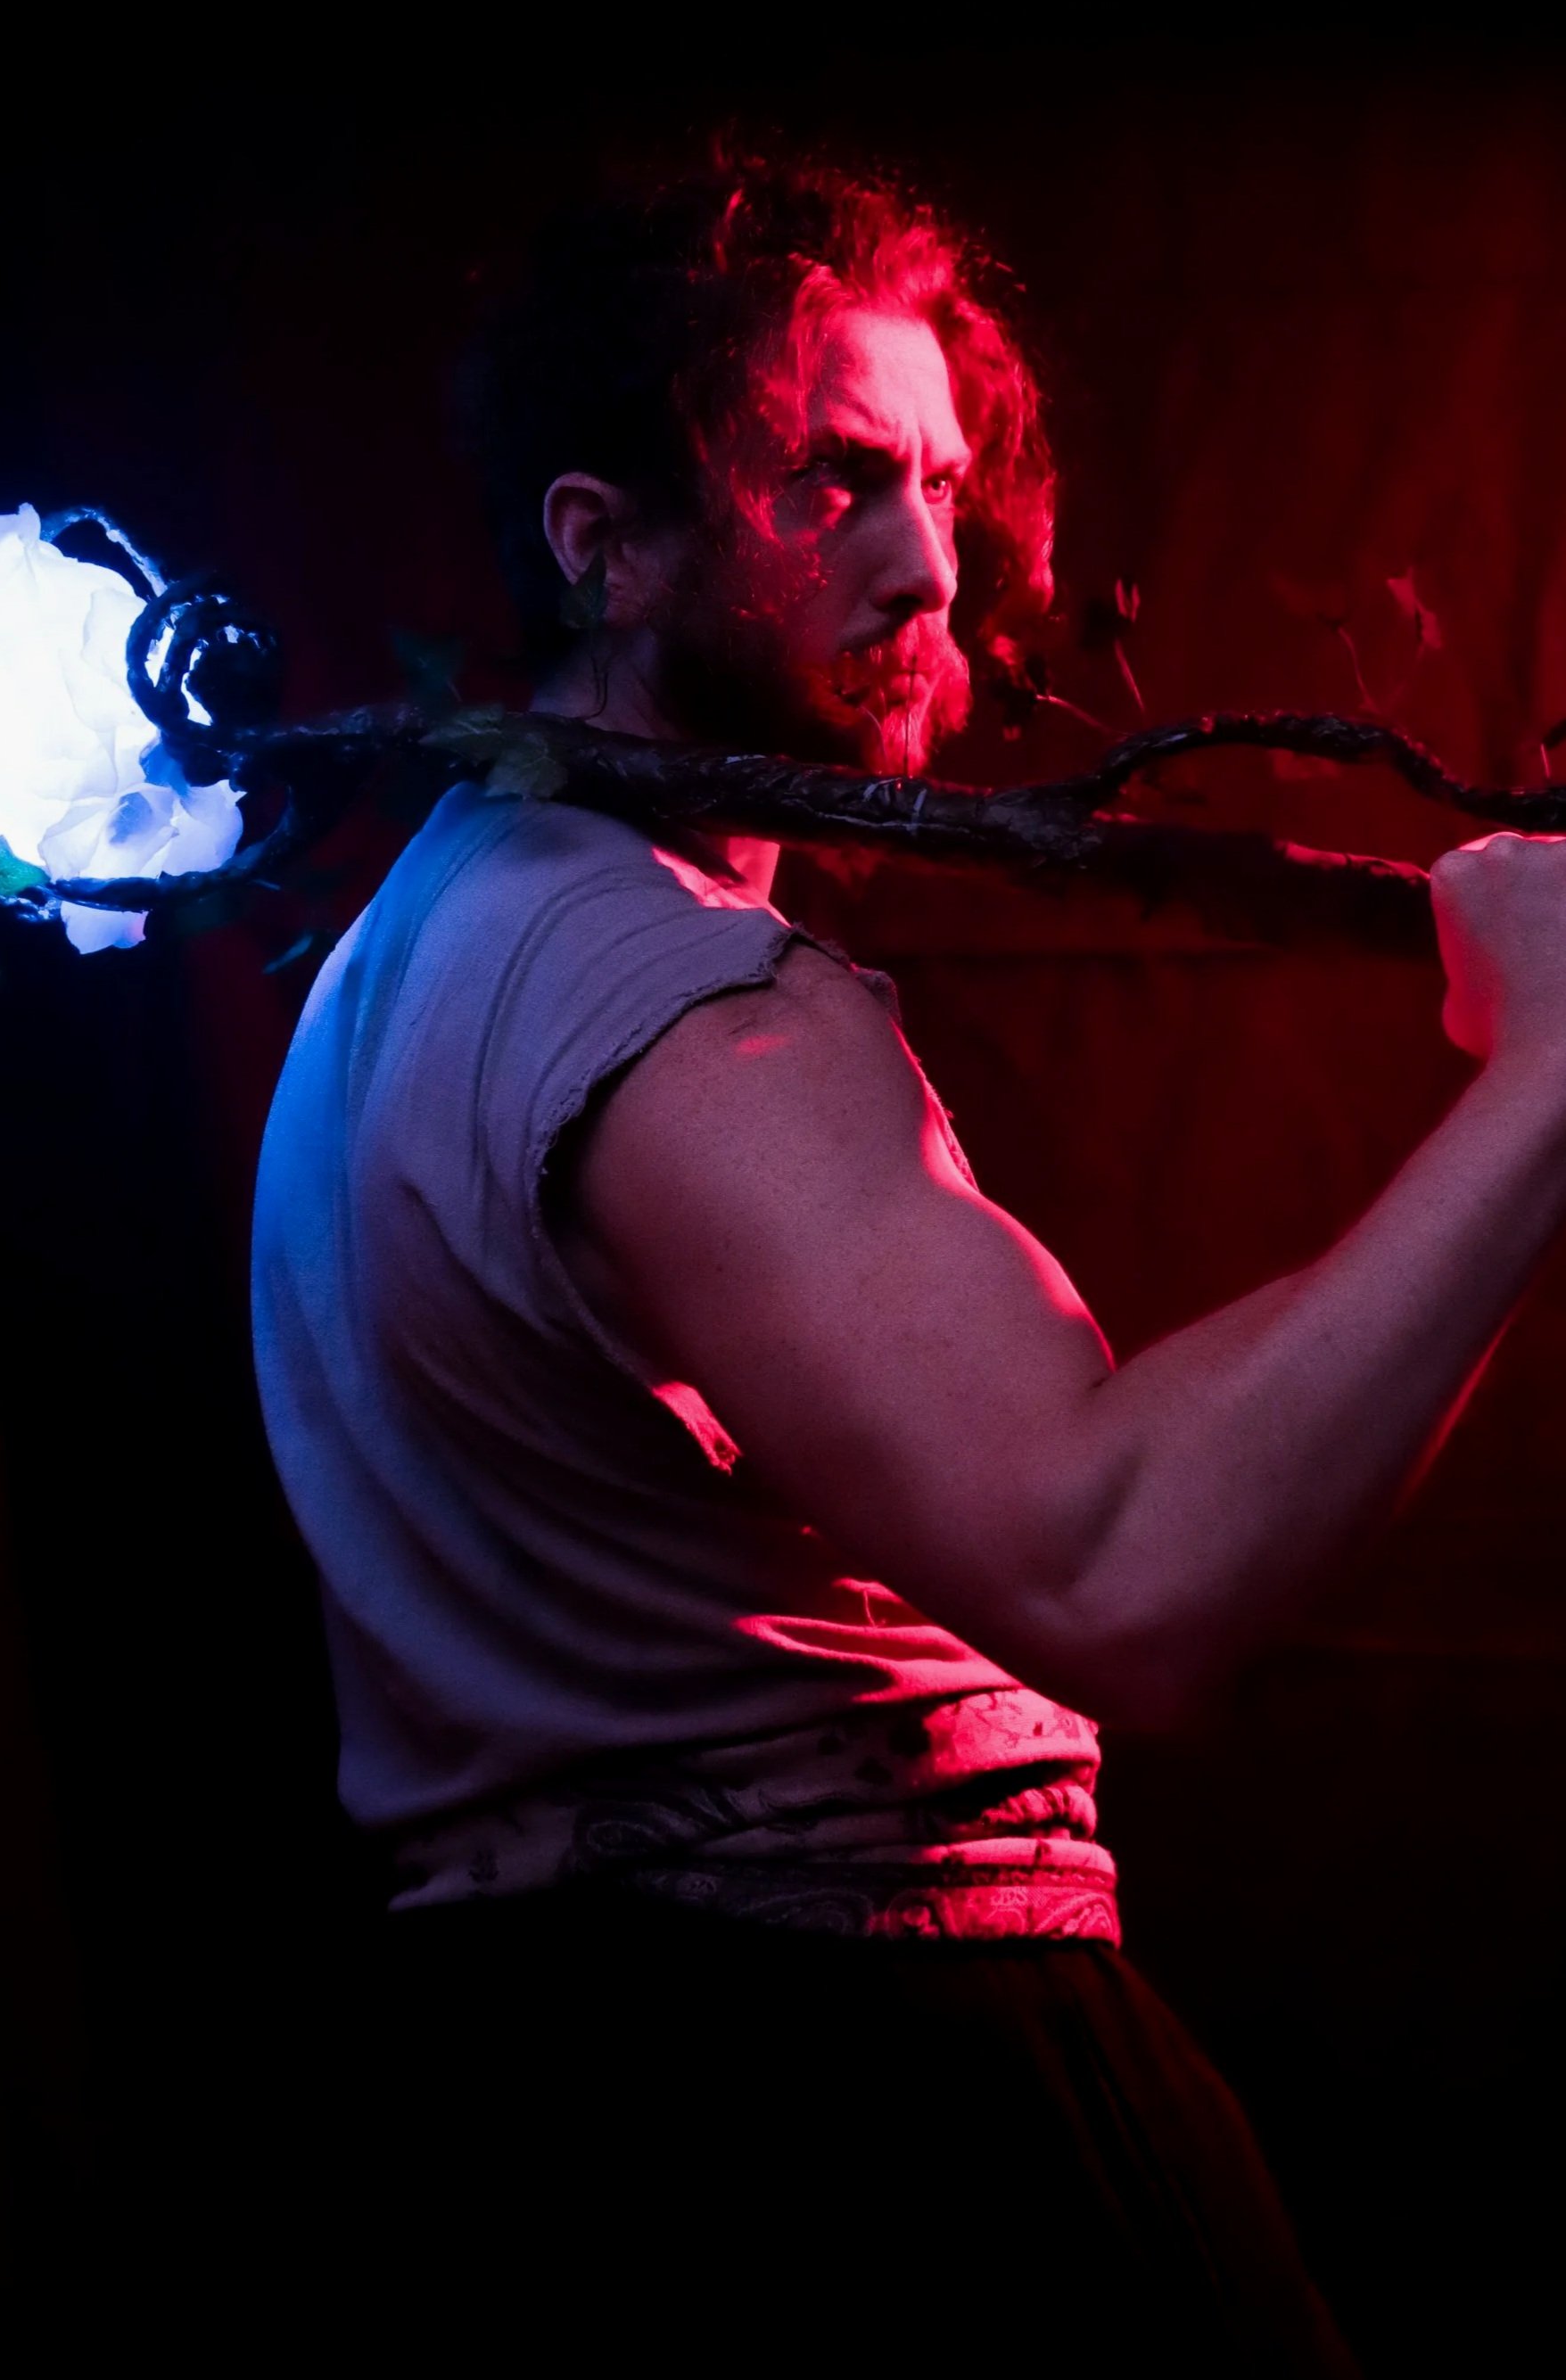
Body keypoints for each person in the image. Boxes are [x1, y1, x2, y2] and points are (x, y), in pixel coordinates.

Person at [251, 157, 1566, 2366]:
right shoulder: (667, 997)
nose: (928, 561)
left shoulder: (416, 948)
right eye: (831, 479)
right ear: (600, 542)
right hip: (877, 2113)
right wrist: (1545, 1082)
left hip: (574, 2097)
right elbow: (1123, 1569)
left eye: (939, 482)